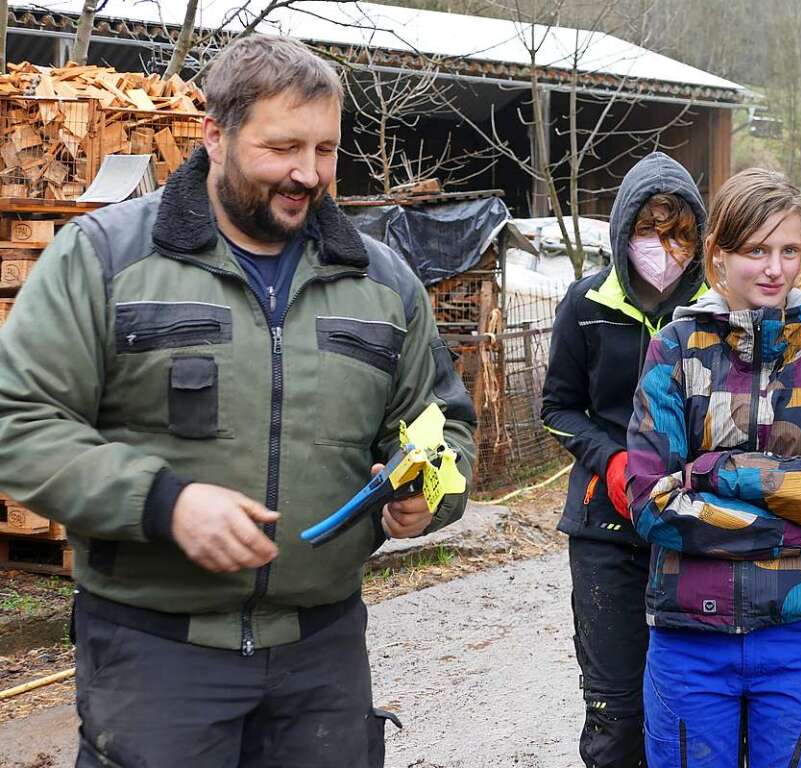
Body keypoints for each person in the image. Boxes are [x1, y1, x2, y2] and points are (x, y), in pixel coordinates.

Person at [0, 35, 475, 768]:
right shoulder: (105, 258)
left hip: (322, 656)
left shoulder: (381, 282)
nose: (307, 174)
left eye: (325, 150)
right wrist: (165, 502)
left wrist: (430, 493)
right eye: (283, 147)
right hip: (155, 656)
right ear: (213, 136)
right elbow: (20, 424)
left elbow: (445, 427)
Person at [626, 168, 801, 767]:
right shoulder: (676, 347)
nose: (775, 268)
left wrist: (719, 471)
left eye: (789, 250)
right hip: (690, 635)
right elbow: (650, 503)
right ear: (718, 254)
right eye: (755, 250)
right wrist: (791, 525)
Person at [542, 151, 707, 768]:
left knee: (690, 703)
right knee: (615, 710)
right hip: (605, 529)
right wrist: (610, 459)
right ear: (621, 232)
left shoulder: (710, 314)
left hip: (692, 529)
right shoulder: (586, 304)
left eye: (677, 233)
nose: (661, 247)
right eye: (647, 231)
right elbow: (558, 406)